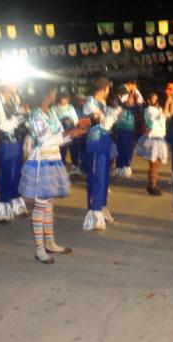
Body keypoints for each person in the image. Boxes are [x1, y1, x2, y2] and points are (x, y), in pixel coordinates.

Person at [19, 84, 88, 264]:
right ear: (47, 93)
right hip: (41, 162)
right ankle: (39, 249)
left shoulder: (51, 112)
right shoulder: (35, 114)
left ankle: (50, 243)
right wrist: (69, 133)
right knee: (41, 205)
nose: (56, 94)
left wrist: (74, 134)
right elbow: (44, 141)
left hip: (53, 159)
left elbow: (59, 138)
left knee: (48, 204)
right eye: (54, 91)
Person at [82, 75, 122, 231]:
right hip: (95, 143)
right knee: (96, 177)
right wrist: (112, 114)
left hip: (104, 141)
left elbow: (108, 119)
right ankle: (95, 212)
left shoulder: (103, 103)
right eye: (108, 89)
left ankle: (103, 207)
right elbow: (102, 122)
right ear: (105, 89)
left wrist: (114, 112)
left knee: (104, 178)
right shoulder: (90, 103)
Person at [0, 83, 28, 221]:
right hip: (5, 142)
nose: (16, 85)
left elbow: (19, 117)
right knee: (5, 173)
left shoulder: (13, 99)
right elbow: (2, 124)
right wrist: (19, 118)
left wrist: (23, 114)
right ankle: (3, 207)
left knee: (17, 172)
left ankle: (16, 203)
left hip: (16, 141)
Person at [136, 91, 170, 195]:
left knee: (156, 164)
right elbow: (160, 117)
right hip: (153, 139)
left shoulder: (157, 109)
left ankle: (153, 185)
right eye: (154, 99)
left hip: (159, 138)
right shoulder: (149, 110)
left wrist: (170, 102)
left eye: (156, 98)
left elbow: (167, 114)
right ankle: (152, 186)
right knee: (153, 164)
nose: (156, 100)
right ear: (149, 101)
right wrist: (168, 102)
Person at [114, 83, 142, 179]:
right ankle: (119, 167)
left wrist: (136, 91)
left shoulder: (134, 108)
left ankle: (126, 167)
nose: (130, 100)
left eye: (131, 98)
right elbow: (119, 103)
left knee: (128, 149)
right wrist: (124, 94)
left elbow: (140, 103)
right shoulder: (120, 104)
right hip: (120, 129)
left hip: (129, 130)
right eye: (128, 98)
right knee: (119, 148)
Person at [52, 92, 81, 172]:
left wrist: (71, 121)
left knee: (74, 149)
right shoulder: (55, 108)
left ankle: (75, 165)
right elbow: (53, 121)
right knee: (62, 150)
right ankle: (61, 166)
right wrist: (62, 121)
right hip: (61, 132)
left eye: (66, 98)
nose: (64, 100)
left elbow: (76, 120)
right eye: (62, 98)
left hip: (71, 132)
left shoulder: (70, 108)